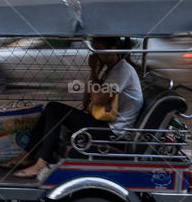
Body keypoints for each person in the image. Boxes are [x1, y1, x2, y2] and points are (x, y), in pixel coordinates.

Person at [12, 36, 143, 182]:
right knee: (52, 108)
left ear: (112, 50)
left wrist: (94, 73)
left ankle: (42, 163)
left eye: (98, 51)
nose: (95, 55)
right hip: (104, 124)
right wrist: (95, 72)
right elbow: (87, 100)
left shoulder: (122, 71)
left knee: (55, 110)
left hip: (113, 132)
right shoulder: (111, 70)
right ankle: (27, 155)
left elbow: (98, 99)